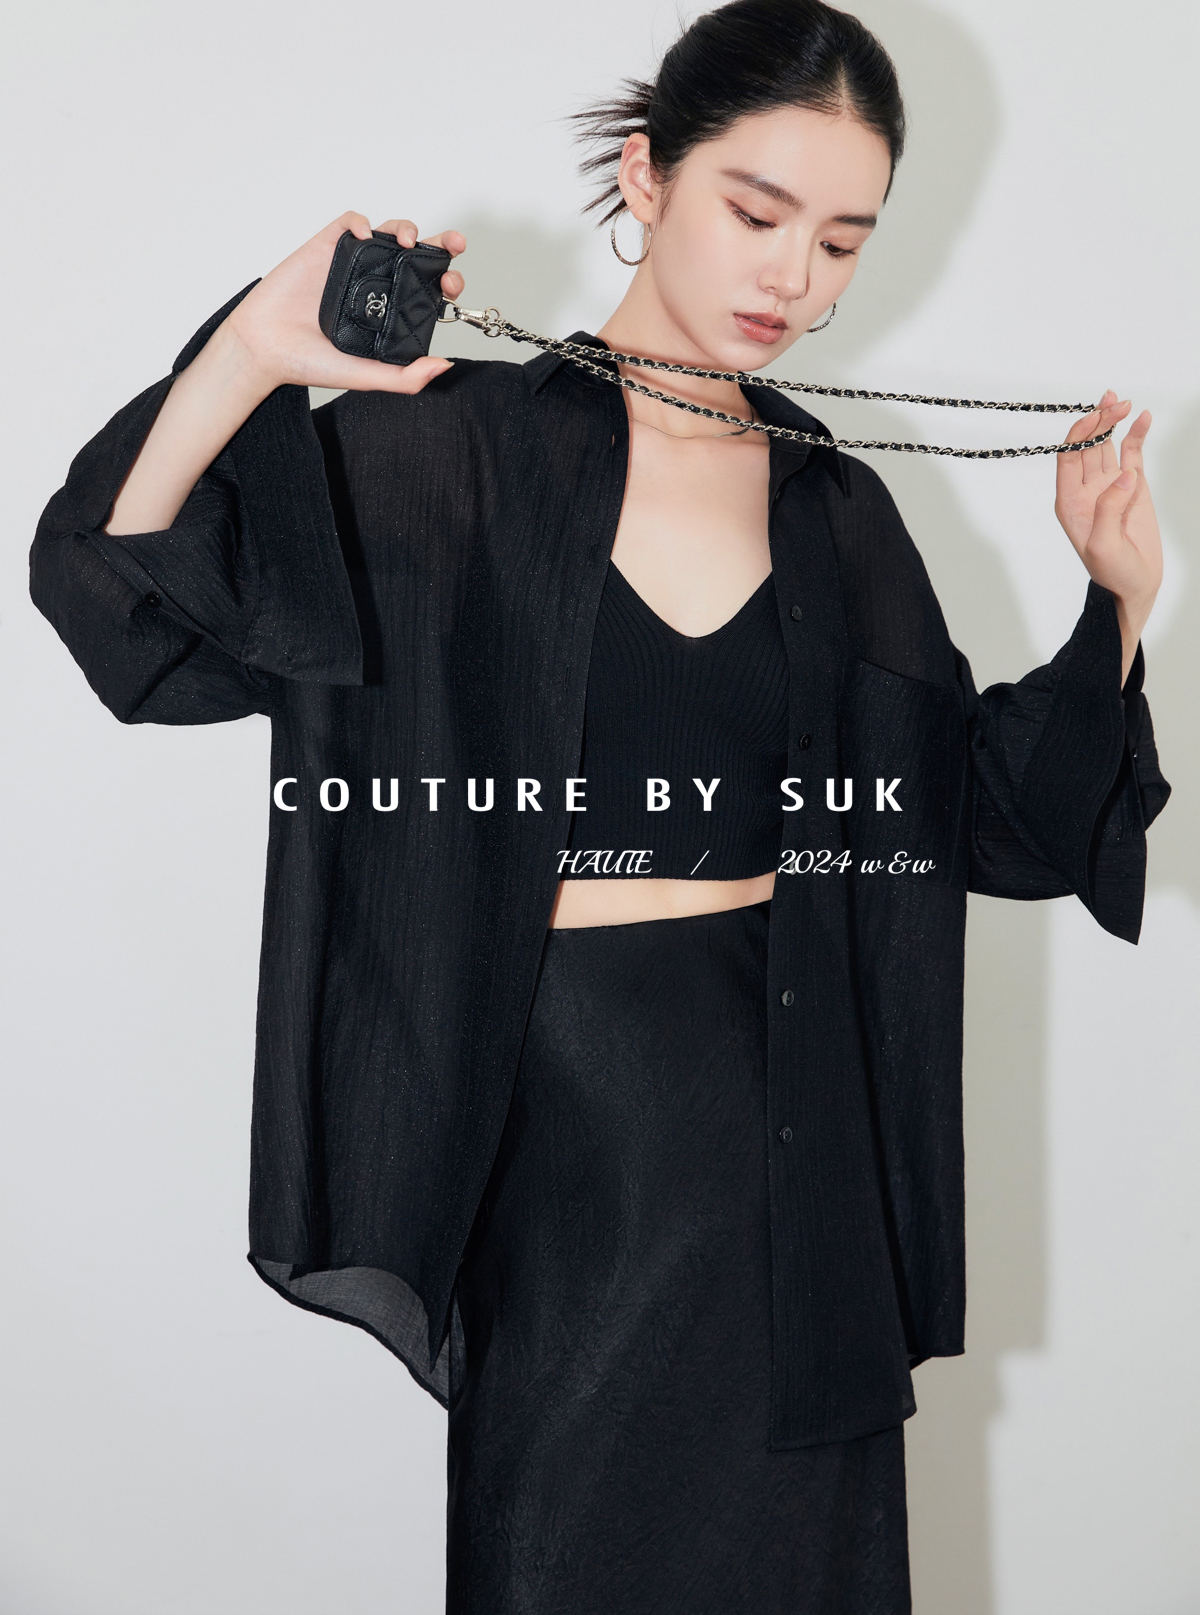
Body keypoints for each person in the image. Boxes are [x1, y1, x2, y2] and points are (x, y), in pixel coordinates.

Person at [29, 1, 1170, 1610]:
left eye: (843, 243)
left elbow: (990, 822)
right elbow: (128, 607)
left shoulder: (838, 510)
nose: (796, 277)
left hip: (794, 1152)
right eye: (758, 212)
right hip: (562, 1146)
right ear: (646, 175)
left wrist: (1116, 605)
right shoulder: (453, 452)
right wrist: (251, 356)